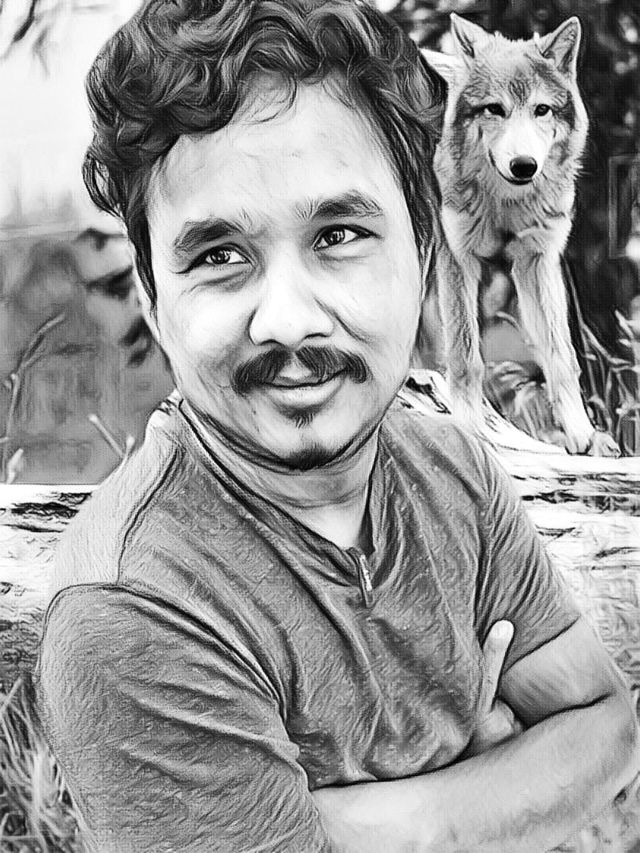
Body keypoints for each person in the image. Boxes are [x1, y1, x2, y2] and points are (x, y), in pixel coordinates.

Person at [36, 1, 639, 851]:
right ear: (152, 295)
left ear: (423, 253)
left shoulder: (454, 469)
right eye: (218, 255)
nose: (288, 319)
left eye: (340, 233)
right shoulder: (129, 608)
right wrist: (496, 781)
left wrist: (390, 819)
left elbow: (608, 725)